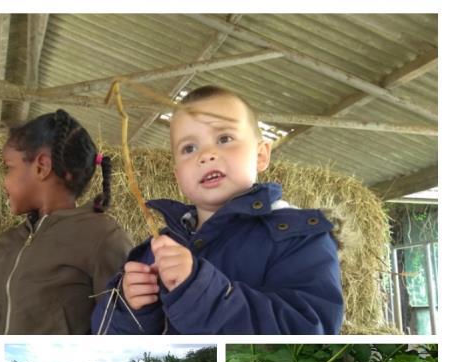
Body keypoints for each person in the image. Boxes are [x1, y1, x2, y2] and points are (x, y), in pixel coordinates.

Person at [92, 85, 343, 335]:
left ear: (261, 155)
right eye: (189, 148)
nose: (207, 155)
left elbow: (310, 331)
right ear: (178, 175)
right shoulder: (154, 251)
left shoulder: (297, 237)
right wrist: (128, 308)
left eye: (224, 139)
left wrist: (198, 290)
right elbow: (104, 337)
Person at [0, 109, 132, 334]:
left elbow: (121, 324)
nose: (4, 181)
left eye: (9, 167)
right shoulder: (4, 245)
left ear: (41, 166)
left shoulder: (101, 237)